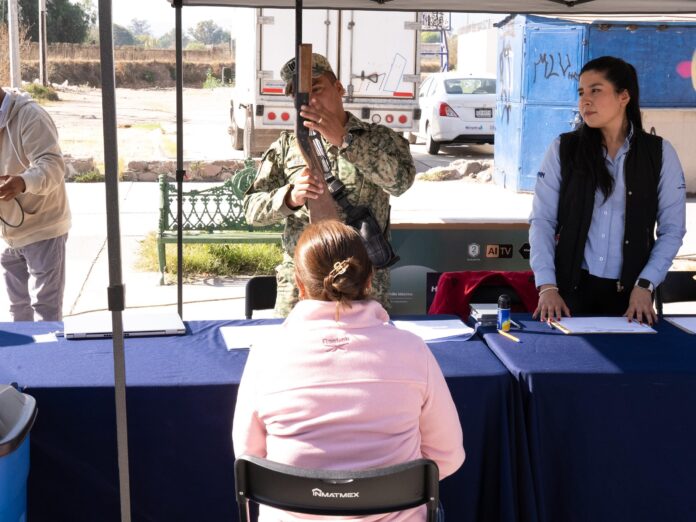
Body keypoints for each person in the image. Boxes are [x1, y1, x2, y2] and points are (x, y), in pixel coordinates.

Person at [233, 220, 464, 522]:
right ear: (369, 281)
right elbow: (447, 457)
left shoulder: (265, 354)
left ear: (299, 285)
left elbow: (249, 456)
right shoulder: (413, 350)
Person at [243, 53, 416, 317]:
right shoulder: (286, 146)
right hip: (302, 284)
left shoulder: (379, 139)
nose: (308, 101)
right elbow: (251, 210)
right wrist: (289, 197)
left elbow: (401, 183)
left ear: (339, 88)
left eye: (316, 89)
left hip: (364, 282)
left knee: (368, 344)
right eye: (298, 95)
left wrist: (347, 141)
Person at [529, 56, 686, 325]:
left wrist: (645, 285)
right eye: (581, 92)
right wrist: (547, 286)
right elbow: (542, 221)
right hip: (567, 295)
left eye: (596, 90)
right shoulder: (564, 149)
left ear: (623, 96)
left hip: (632, 299)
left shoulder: (659, 153)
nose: (585, 101)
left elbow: (673, 229)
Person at [0, 87, 71, 321]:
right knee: (18, 311)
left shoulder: (30, 115)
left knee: (45, 313)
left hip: (43, 229)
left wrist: (22, 182)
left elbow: (52, 166)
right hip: (9, 234)